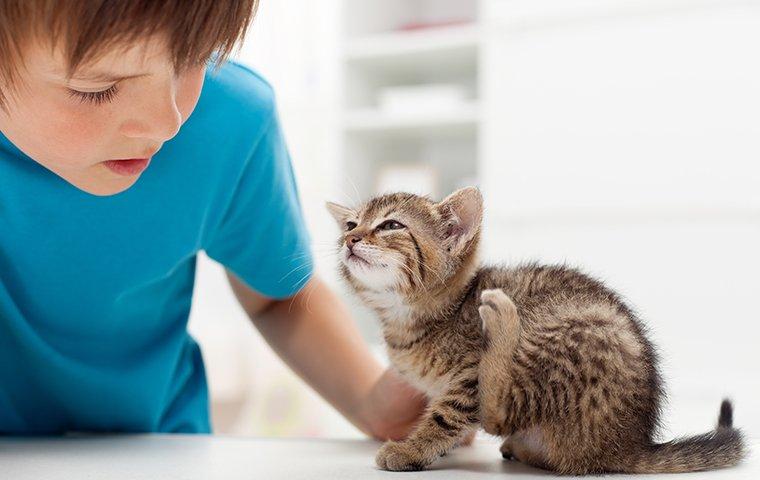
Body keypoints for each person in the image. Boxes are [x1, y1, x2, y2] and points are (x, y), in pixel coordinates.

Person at [0, 0, 427, 438]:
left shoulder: (231, 120)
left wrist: (372, 404)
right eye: (98, 88)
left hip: (158, 449)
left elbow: (276, 297)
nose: (166, 124)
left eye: (194, 59)